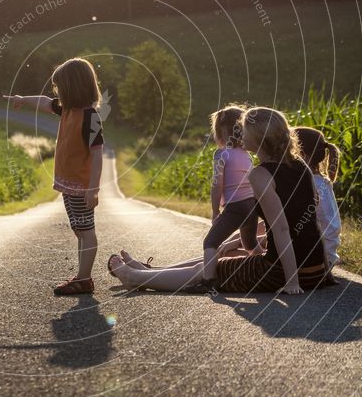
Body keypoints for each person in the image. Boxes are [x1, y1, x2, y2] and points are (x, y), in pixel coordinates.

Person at [109, 107, 328, 295]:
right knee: (225, 253)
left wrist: (291, 282)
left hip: (283, 272)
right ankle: (148, 271)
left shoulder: (260, 174)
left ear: (257, 137)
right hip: (316, 269)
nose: (239, 131)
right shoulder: (300, 165)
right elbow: (304, 216)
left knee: (207, 270)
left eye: (244, 128)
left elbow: (281, 229)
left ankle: (135, 278)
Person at [4, 57, 104, 295]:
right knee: (79, 229)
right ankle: (82, 276)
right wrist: (22, 99)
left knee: (86, 230)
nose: (56, 91)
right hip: (69, 185)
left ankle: (84, 278)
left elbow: (98, 154)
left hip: (81, 185)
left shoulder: (90, 117)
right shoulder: (66, 109)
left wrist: (93, 188)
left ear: (73, 87)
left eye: (60, 87)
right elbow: (44, 102)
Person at [201, 105, 262, 289]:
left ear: (222, 132)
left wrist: (214, 211)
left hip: (236, 206)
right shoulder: (247, 154)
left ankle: (207, 282)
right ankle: (269, 266)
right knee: (249, 242)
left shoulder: (221, 153)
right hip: (252, 204)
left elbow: (216, 185)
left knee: (210, 242)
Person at [295, 126, 342, 269]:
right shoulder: (323, 181)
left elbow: (288, 224)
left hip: (314, 257)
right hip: (328, 254)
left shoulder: (306, 183)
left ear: (300, 154)